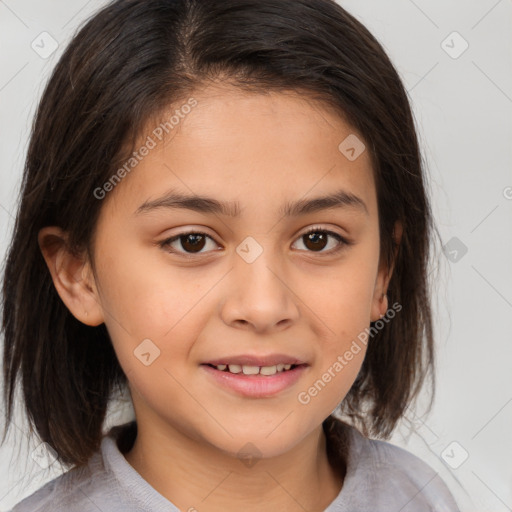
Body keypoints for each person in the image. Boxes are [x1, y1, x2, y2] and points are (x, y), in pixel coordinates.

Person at [1, 0, 460, 510]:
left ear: (382, 271)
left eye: (317, 239)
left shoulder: (418, 496)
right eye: (191, 241)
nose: (263, 306)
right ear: (77, 274)